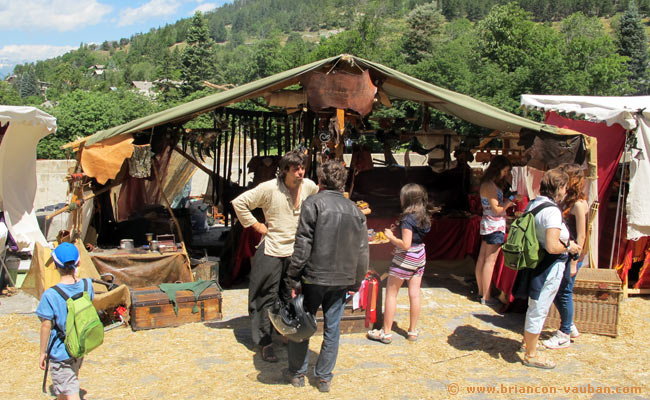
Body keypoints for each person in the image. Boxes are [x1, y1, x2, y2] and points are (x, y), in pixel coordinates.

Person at [282, 160, 369, 393]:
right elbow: (363, 253)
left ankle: (298, 374)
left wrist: (293, 277)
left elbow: (302, 246)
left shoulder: (313, 203)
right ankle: (323, 378)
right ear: (343, 183)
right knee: (333, 327)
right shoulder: (356, 211)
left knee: (301, 323)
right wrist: (356, 282)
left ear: (320, 181)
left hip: (313, 277)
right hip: (341, 279)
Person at [231, 150, 319, 363]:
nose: (301, 172)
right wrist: (258, 226)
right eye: (296, 169)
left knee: (288, 295)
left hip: (295, 250)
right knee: (264, 296)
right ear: (286, 170)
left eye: (302, 168)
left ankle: (285, 331)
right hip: (271, 249)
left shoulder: (308, 185)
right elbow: (239, 203)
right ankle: (264, 341)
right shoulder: (269, 188)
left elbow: (317, 203)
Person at [521, 168, 581, 369]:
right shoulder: (552, 211)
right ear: (561, 187)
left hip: (536, 263)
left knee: (536, 305)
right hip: (549, 265)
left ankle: (528, 343)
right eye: (565, 187)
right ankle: (531, 354)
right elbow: (552, 245)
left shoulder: (534, 203)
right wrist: (570, 246)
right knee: (539, 307)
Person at [367, 183, 431, 344]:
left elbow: (406, 244)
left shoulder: (407, 219)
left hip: (406, 257)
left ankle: (386, 332)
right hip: (420, 255)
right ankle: (413, 331)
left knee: (391, 293)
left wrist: (391, 237)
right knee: (414, 293)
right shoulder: (424, 215)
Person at [37, 243, 95, 400]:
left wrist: (42, 352)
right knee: (67, 386)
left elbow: (46, 325)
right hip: (79, 345)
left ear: (55, 266)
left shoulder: (50, 295)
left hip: (60, 351)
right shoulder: (87, 285)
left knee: (71, 393)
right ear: (79, 263)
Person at [543, 164, 588, 349]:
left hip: (572, 254)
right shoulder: (570, 201)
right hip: (567, 252)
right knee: (560, 291)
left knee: (563, 293)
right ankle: (569, 325)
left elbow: (582, 235)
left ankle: (564, 333)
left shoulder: (578, 204)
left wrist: (574, 262)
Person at [475, 155, 516, 306]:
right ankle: (486, 296)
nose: (506, 174)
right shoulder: (490, 186)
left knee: (482, 258)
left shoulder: (488, 184)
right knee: (489, 261)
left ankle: (481, 292)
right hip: (494, 224)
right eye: (505, 171)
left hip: (488, 224)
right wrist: (510, 200)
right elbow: (497, 210)